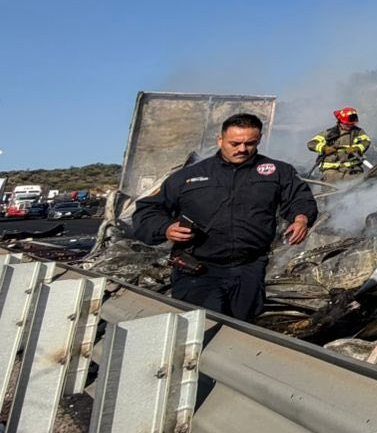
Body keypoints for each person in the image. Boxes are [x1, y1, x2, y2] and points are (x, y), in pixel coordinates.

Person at [131, 112, 316, 322]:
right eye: (235, 143)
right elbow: (147, 211)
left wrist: (301, 218)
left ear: (259, 139)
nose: (242, 149)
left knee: (240, 330)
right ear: (220, 140)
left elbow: (300, 198)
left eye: (250, 143)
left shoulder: (277, 172)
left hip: (249, 269)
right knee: (202, 327)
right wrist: (165, 228)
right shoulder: (188, 176)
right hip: (198, 270)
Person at [307, 107, 372, 179]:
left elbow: (366, 141)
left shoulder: (358, 132)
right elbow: (311, 144)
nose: (350, 126)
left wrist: (357, 148)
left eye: (352, 124)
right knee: (333, 181)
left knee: (360, 181)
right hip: (331, 169)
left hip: (352, 168)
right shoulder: (329, 133)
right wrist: (324, 148)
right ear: (340, 122)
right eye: (347, 124)